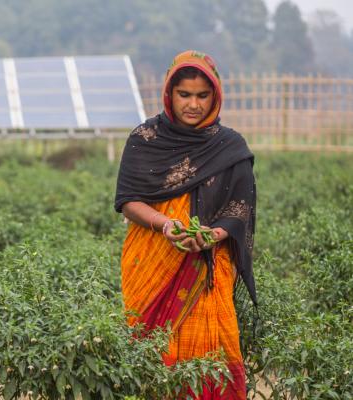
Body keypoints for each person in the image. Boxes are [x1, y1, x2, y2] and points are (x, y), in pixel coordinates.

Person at [114, 50, 256, 399]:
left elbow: (239, 209)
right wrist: (165, 225)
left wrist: (212, 235)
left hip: (209, 267)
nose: (193, 104)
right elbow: (129, 200)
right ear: (169, 94)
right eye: (185, 95)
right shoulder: (145, 139)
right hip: (153, 257)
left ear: (216, 96)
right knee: (150, 357)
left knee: (211, 355)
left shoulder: (230, 147)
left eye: (202, 95)